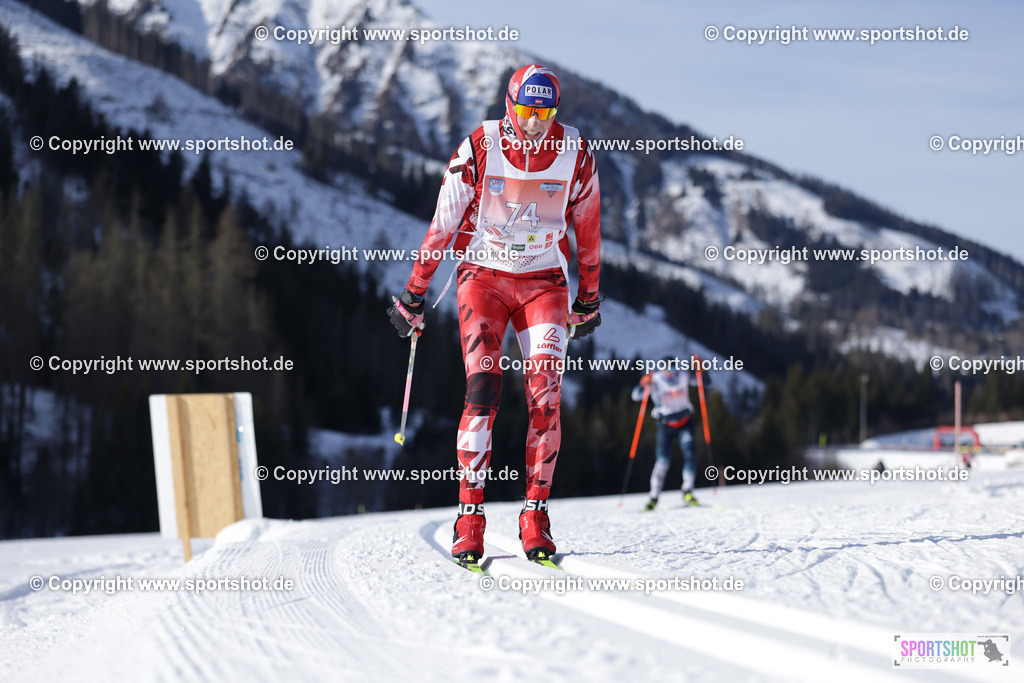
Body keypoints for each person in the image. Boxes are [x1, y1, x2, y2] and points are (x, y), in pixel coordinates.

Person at [387, 65, 602, 563]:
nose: (534, 123)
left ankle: (535, 515)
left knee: (545, 393)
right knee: (483, 389)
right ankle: (470, 517)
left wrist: (588, 295)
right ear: (510, 104)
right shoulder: (480, 147)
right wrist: (415, 292)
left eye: (544, 112)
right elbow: (442, 224)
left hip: (543, 282)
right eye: (526, 111)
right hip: (482, 279)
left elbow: (588, 229)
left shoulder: (575, 153)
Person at [632, 357, 710, 510]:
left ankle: (688, 491)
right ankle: (653, 497)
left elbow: (704, 383)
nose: (670, 373)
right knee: (662, 460)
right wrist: (644, 383)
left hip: (684, 422)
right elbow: (636, 396)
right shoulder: (656, 380)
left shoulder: (683, 375)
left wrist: (702, 370)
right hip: (665, 425)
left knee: (689, 455)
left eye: (673, 368)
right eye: (666, 369)